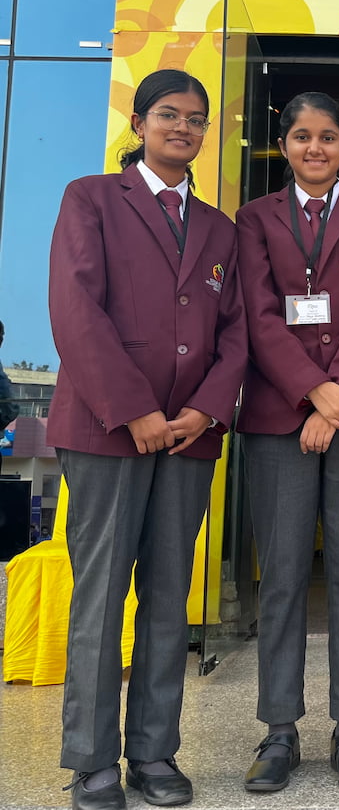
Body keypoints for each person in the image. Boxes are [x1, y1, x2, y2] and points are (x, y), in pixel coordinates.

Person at [48, 68, 247, 810]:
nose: (182, 128)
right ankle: (91, 760)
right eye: (169, 114)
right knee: (101, 597)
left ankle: (155, 753)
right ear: (139, 124)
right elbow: (75, 309)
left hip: (188, 437)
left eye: (196, 119)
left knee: (169, 598)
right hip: (107, 431)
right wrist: (133, 410)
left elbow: (236, 334)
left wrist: (206, 410)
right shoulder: (92, 198)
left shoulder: (221, 228)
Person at [236, 91, 339, 794]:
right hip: (280, 417)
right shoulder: (254, 218)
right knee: (281, 576)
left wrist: (337, 397)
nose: (316, 147)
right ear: (284, 144)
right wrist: (312, 390)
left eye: (328, 136)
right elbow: (257, 314)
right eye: (302, 136)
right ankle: (279, 730)